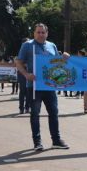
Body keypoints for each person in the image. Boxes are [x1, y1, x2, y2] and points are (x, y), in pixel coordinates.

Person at [16, 23, 69, 151]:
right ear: (34, 33)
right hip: (34, 86)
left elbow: (57, 63)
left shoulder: (52, 46)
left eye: (43, 32)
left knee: (54, 113)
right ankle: (37, 142)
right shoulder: (27, 45)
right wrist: (26, 74)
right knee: (35, 114)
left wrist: (64, 58)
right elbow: (18, 61)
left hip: (50, 86)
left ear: (47, 33)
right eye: (38, 32)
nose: (40, 34)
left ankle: (56, 140)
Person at [18, 38, 31, 114]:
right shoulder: (21, 52)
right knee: (22, 91)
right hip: (22, 74)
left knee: (29, 91)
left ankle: (27, 107)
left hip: (30, 73)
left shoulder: (31, 52)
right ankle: (21, 108)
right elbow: (18, 62)